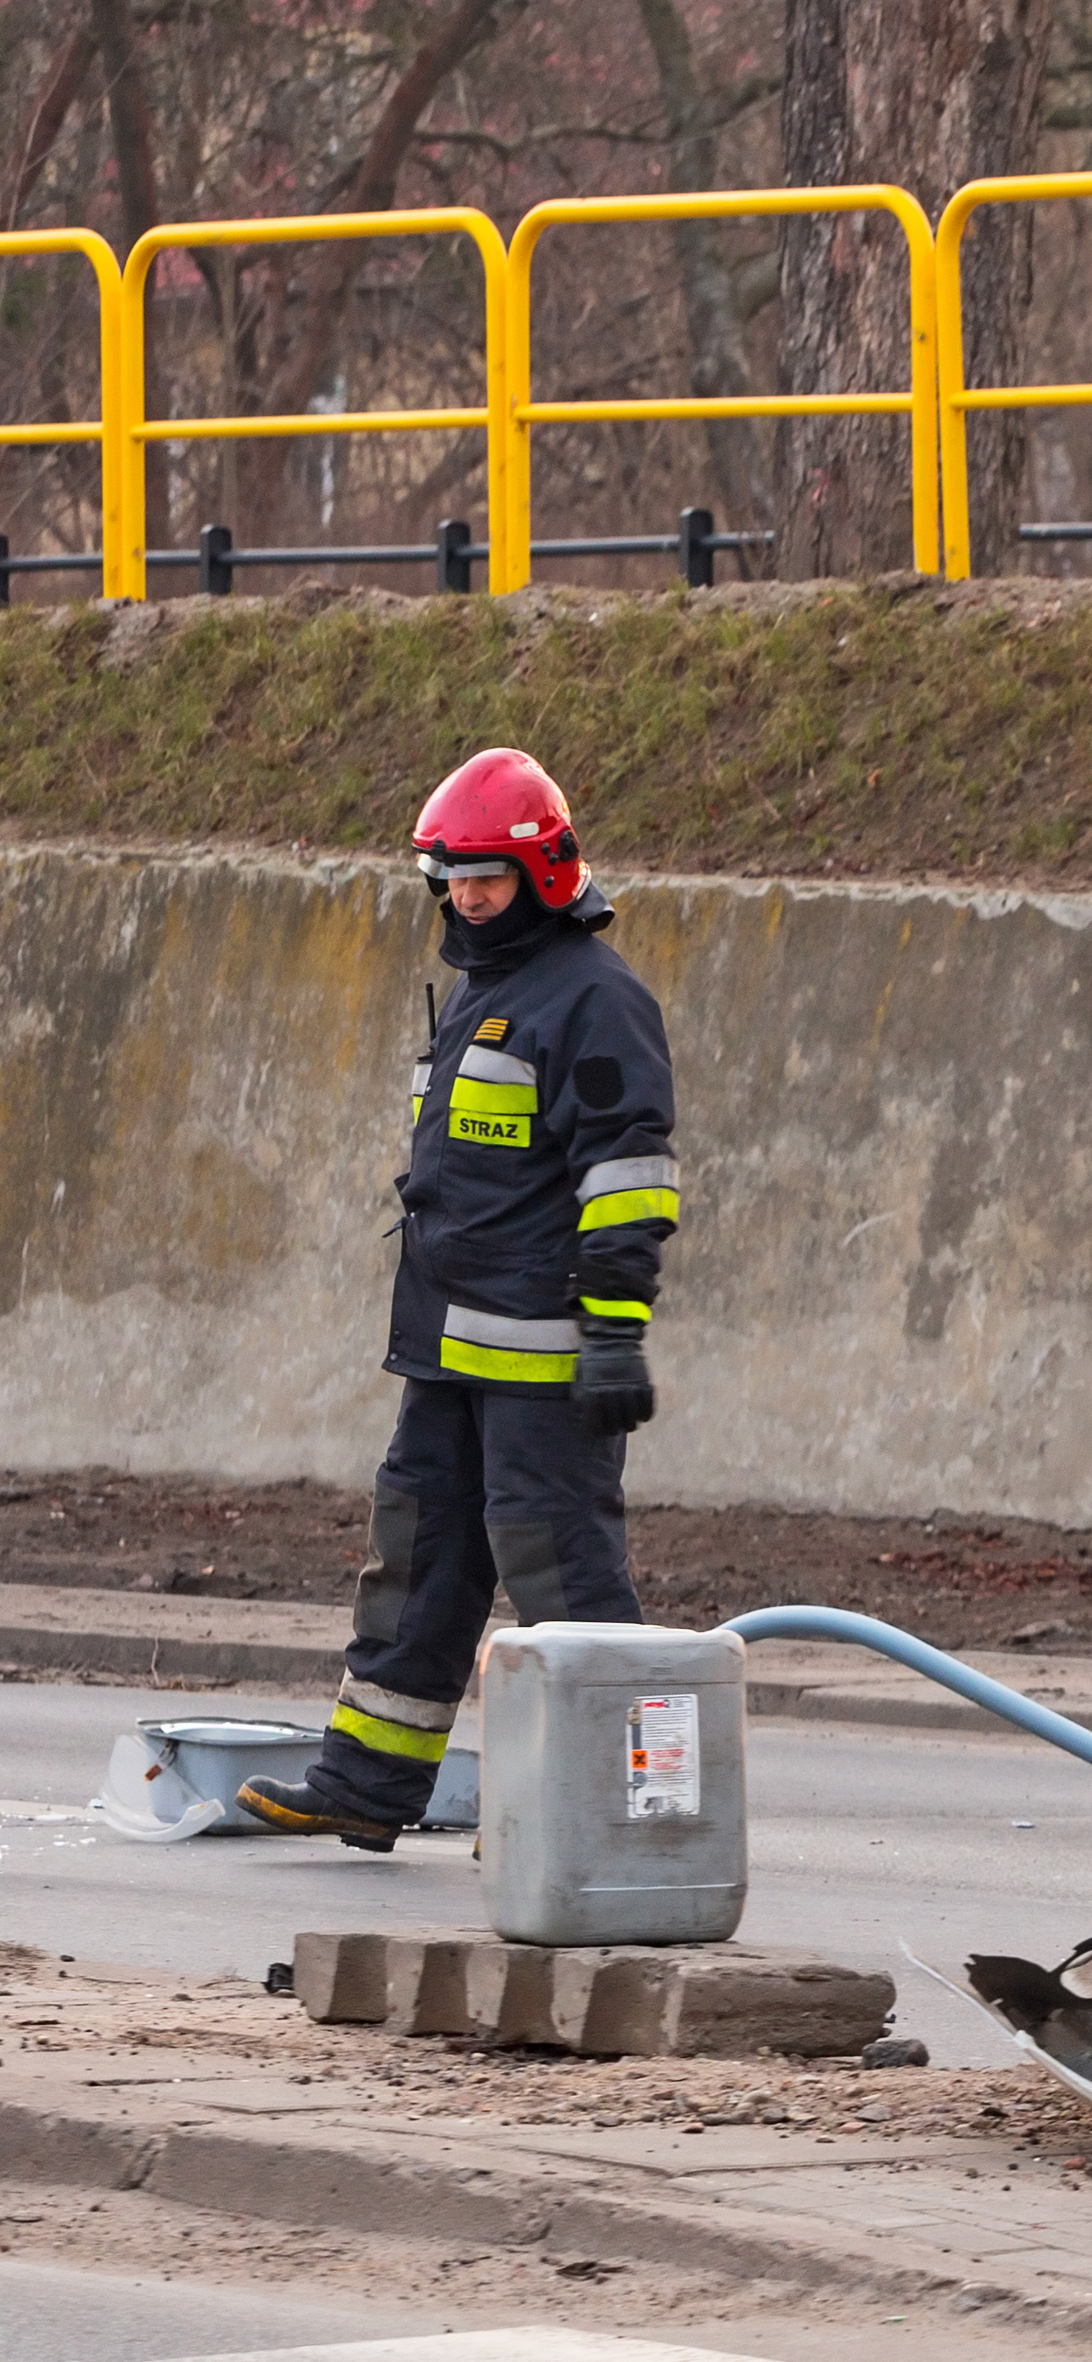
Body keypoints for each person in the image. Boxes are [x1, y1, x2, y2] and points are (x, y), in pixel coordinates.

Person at [237, 749, 677, 1851]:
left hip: (541, 1361)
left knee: (565, 1580)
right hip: (445, 1352)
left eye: (485, 877)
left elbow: (627, 1179)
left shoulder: (596, 1000)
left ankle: (636, 1813)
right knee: (421, 1562)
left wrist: (616, 1335)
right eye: (451, 878)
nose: (466, 897)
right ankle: (366, 1784)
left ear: (541, 870)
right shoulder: (487, 990)